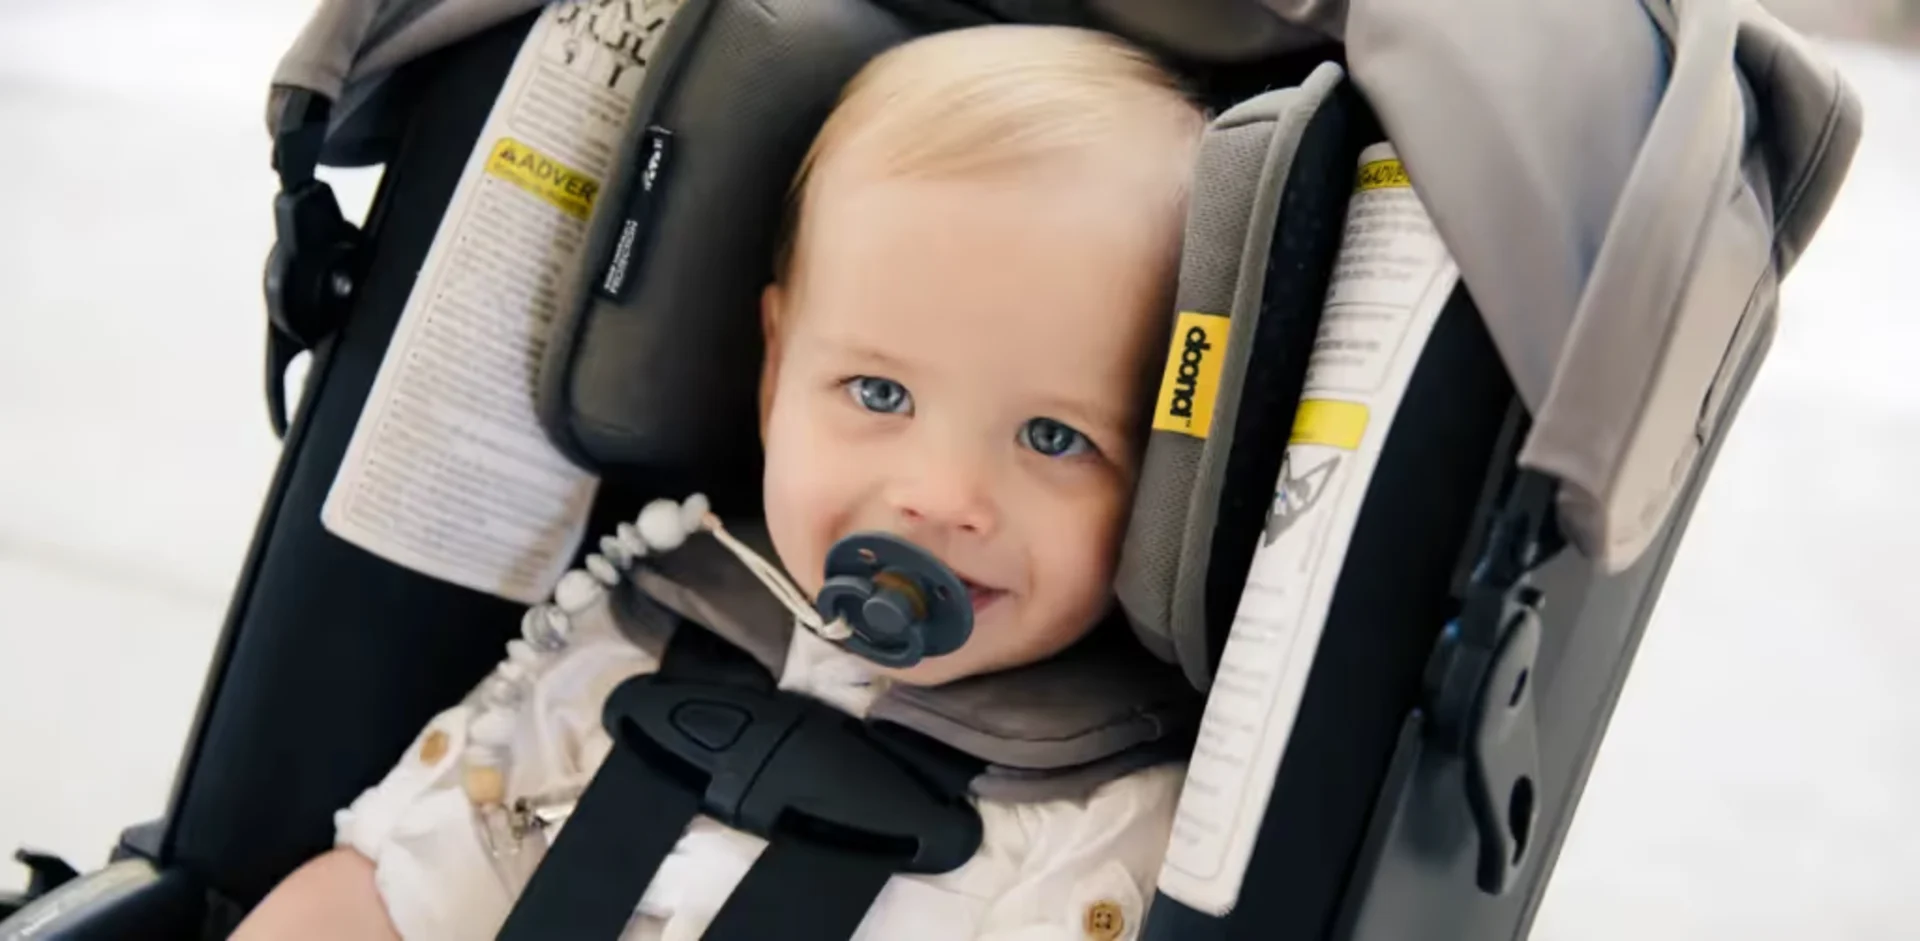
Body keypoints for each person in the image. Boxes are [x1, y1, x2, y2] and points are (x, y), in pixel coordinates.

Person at [234, 23, 1207, 940]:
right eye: (878, 390)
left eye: (1052, 433)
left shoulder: (1114, 822)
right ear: (778, 367)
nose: (941, 493)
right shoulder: (636, 634)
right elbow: (387, 892)